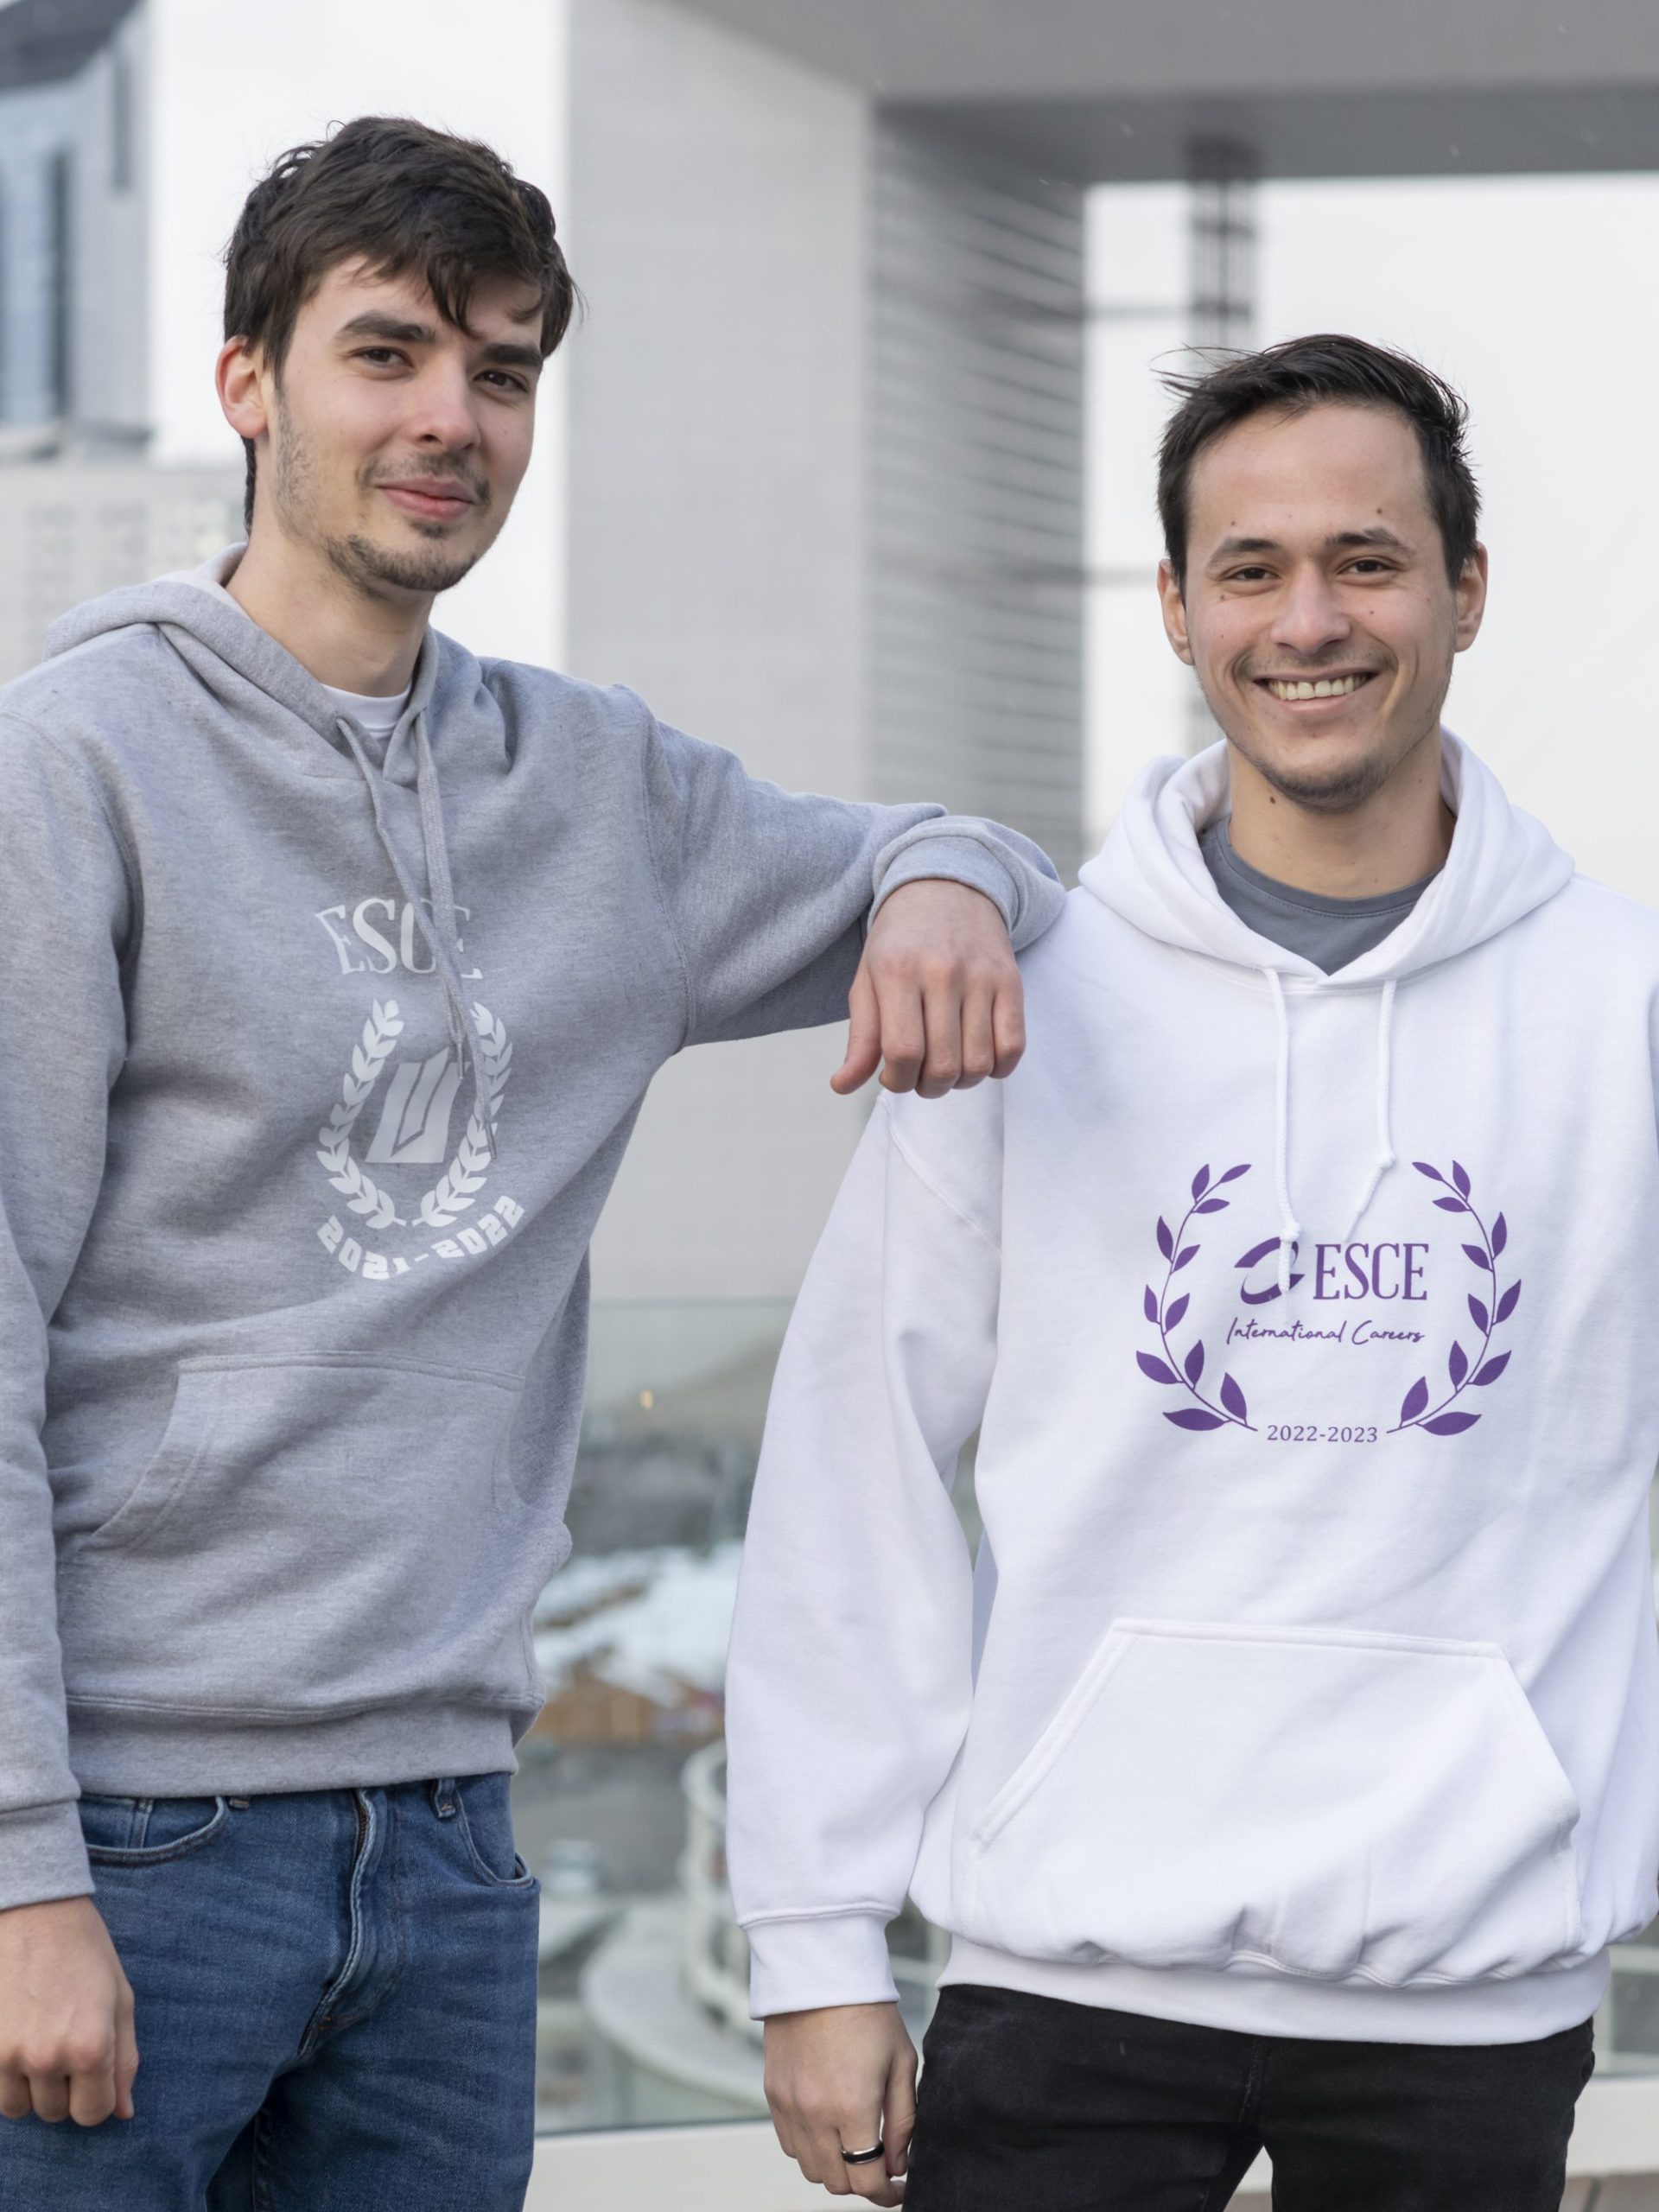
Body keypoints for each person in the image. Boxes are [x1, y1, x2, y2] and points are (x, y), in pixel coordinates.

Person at [0, 117, 1065, 2209]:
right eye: (387, 354)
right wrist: (18, 1860)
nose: (450, 421)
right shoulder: (74, 768)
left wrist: (944, 882)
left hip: (457, 1847)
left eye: (499, 372)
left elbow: (963, 855)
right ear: (248, 381)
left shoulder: (596, 788)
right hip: (129, 1840)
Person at [726, 333, 1659, 2210]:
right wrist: (814, 1940)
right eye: (1251, 568)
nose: (1308, 620)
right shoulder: (1034, 992)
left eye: (1368, 560)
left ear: (1467, 591)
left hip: (1473, 1982)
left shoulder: (1620, 1003)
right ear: (1176, 606)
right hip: (1066, 1968)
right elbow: (859, 1455)